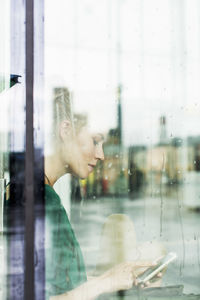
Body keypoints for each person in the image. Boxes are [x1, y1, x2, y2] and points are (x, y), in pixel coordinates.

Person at [44, 88, 160, 300]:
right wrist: (105, 283)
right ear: (66, 130)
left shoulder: (42, 194)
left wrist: (117, 276)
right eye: (96, 141)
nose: (101, 155)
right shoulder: (43, 202)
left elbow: (60, 285)